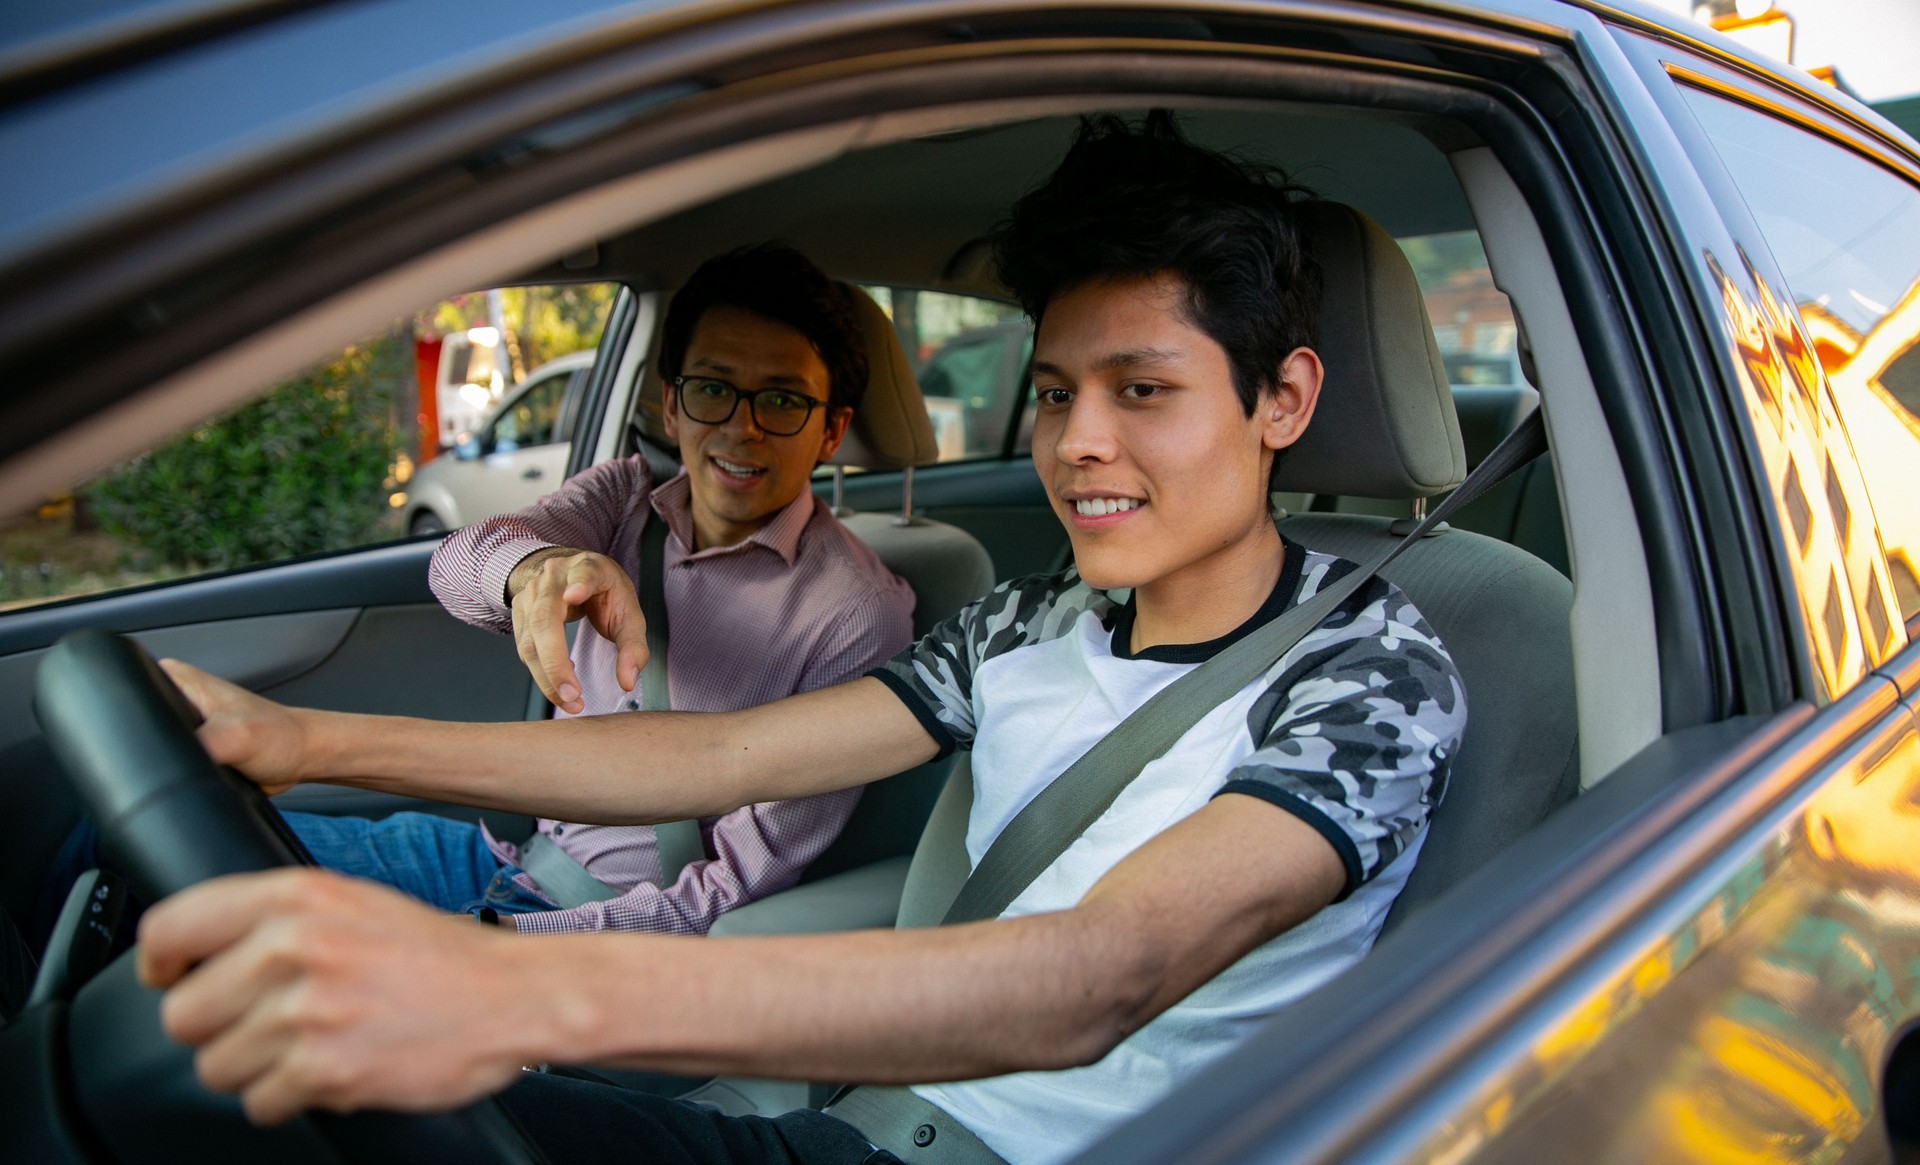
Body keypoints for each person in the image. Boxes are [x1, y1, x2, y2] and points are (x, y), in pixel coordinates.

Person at [139, 113, 1467, 1165]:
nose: (1079, 445)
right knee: (269, 1116)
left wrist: (510, 989)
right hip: (866, 1123)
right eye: (1056, 392)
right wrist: (300, 738)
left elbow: (1098, 975)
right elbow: (712, 758)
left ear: (1283, 396)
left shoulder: (1371, 672)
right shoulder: (1027, 619)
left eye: (1145, 392)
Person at [280, 243, 917, 934]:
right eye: (712, 388)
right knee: (213, 841)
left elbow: (731, 892)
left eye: (783, 400)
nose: (742, 426)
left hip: (596, 924)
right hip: (494, 855)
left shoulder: (858, 614)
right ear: (671, 408)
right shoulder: (623, 498)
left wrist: (506, 943)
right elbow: (456, 562)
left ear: (832, 431)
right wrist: (532, 570)